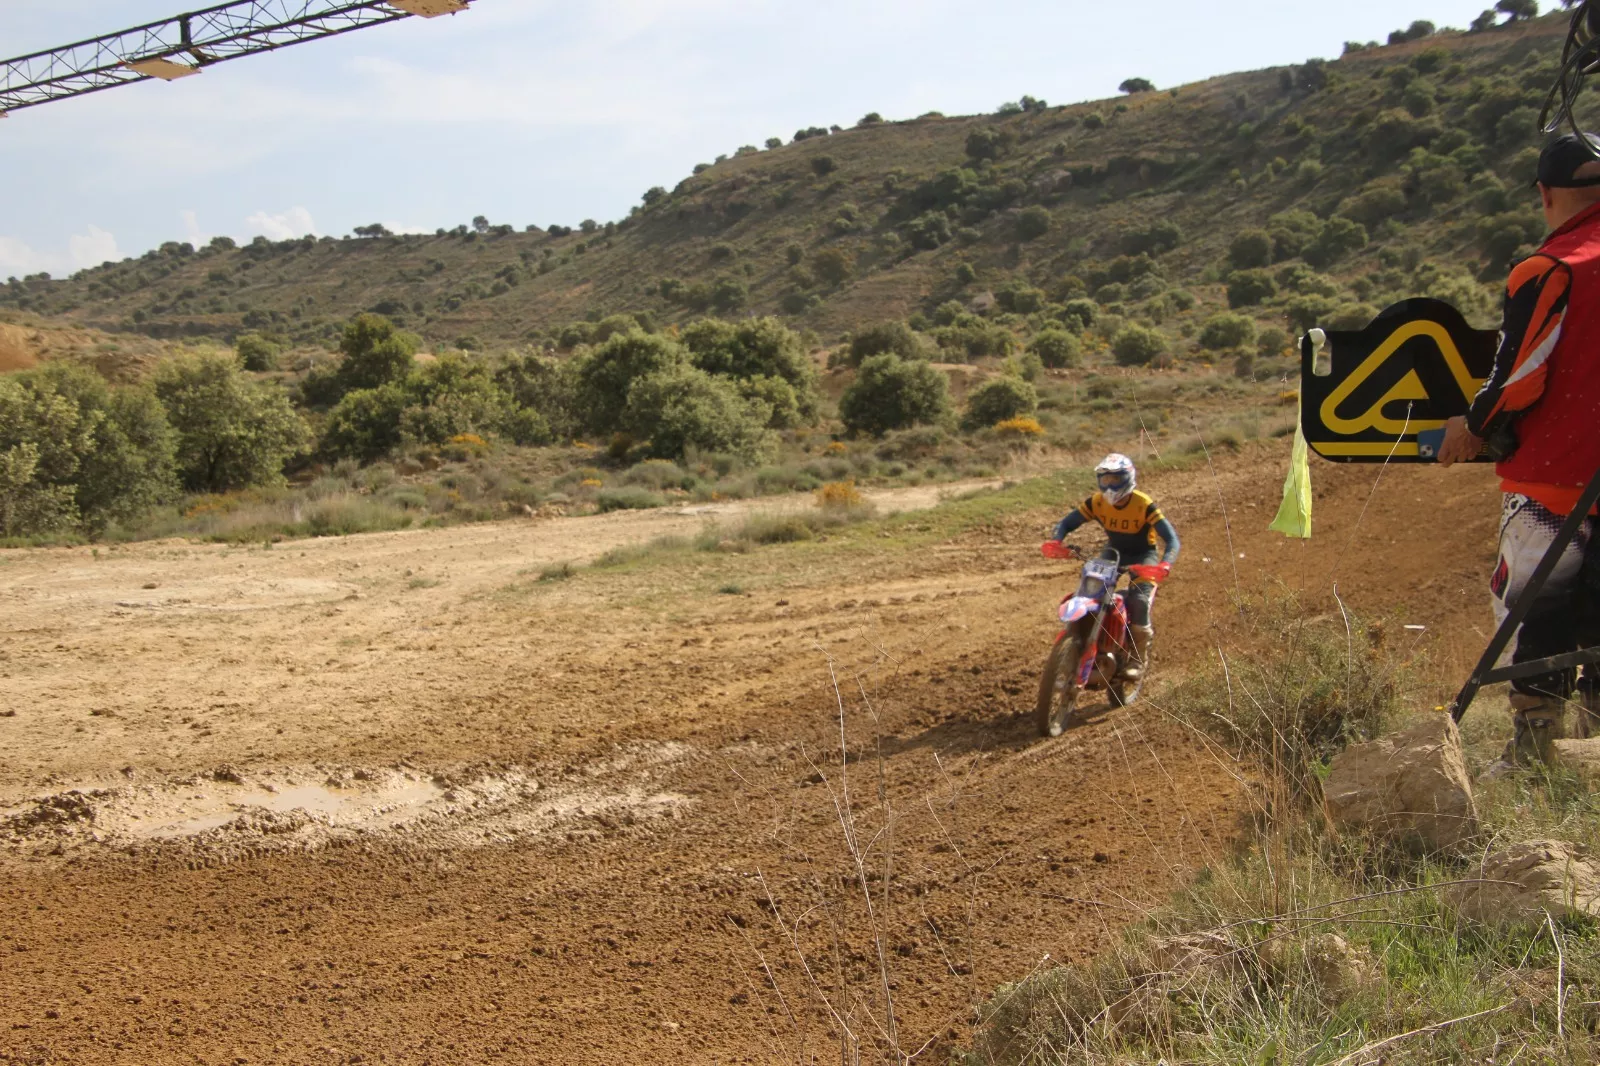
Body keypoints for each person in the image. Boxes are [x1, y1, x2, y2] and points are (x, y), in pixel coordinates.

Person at [1439, 131, 1600, 772]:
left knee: (1534, 606)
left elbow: (1520, 376)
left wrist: (1472, 426)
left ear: (1545, 194)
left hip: (1555, 483)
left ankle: (1535, 748)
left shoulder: (1550, 269)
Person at [1050, 453, 1180, 680]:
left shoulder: (1143, 504)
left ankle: (1138, 660)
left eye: (1115, 479)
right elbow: (1067, 523)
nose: (1110, 485)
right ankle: (1080, 640)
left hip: (1143, 555)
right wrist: (1056, 541)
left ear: (1127, 478)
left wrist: (1165, 564)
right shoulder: (1097, 502)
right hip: (1114, 551)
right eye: (1105, 479)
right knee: (1090, 589)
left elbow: (1172, 539)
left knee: (1139, 600)